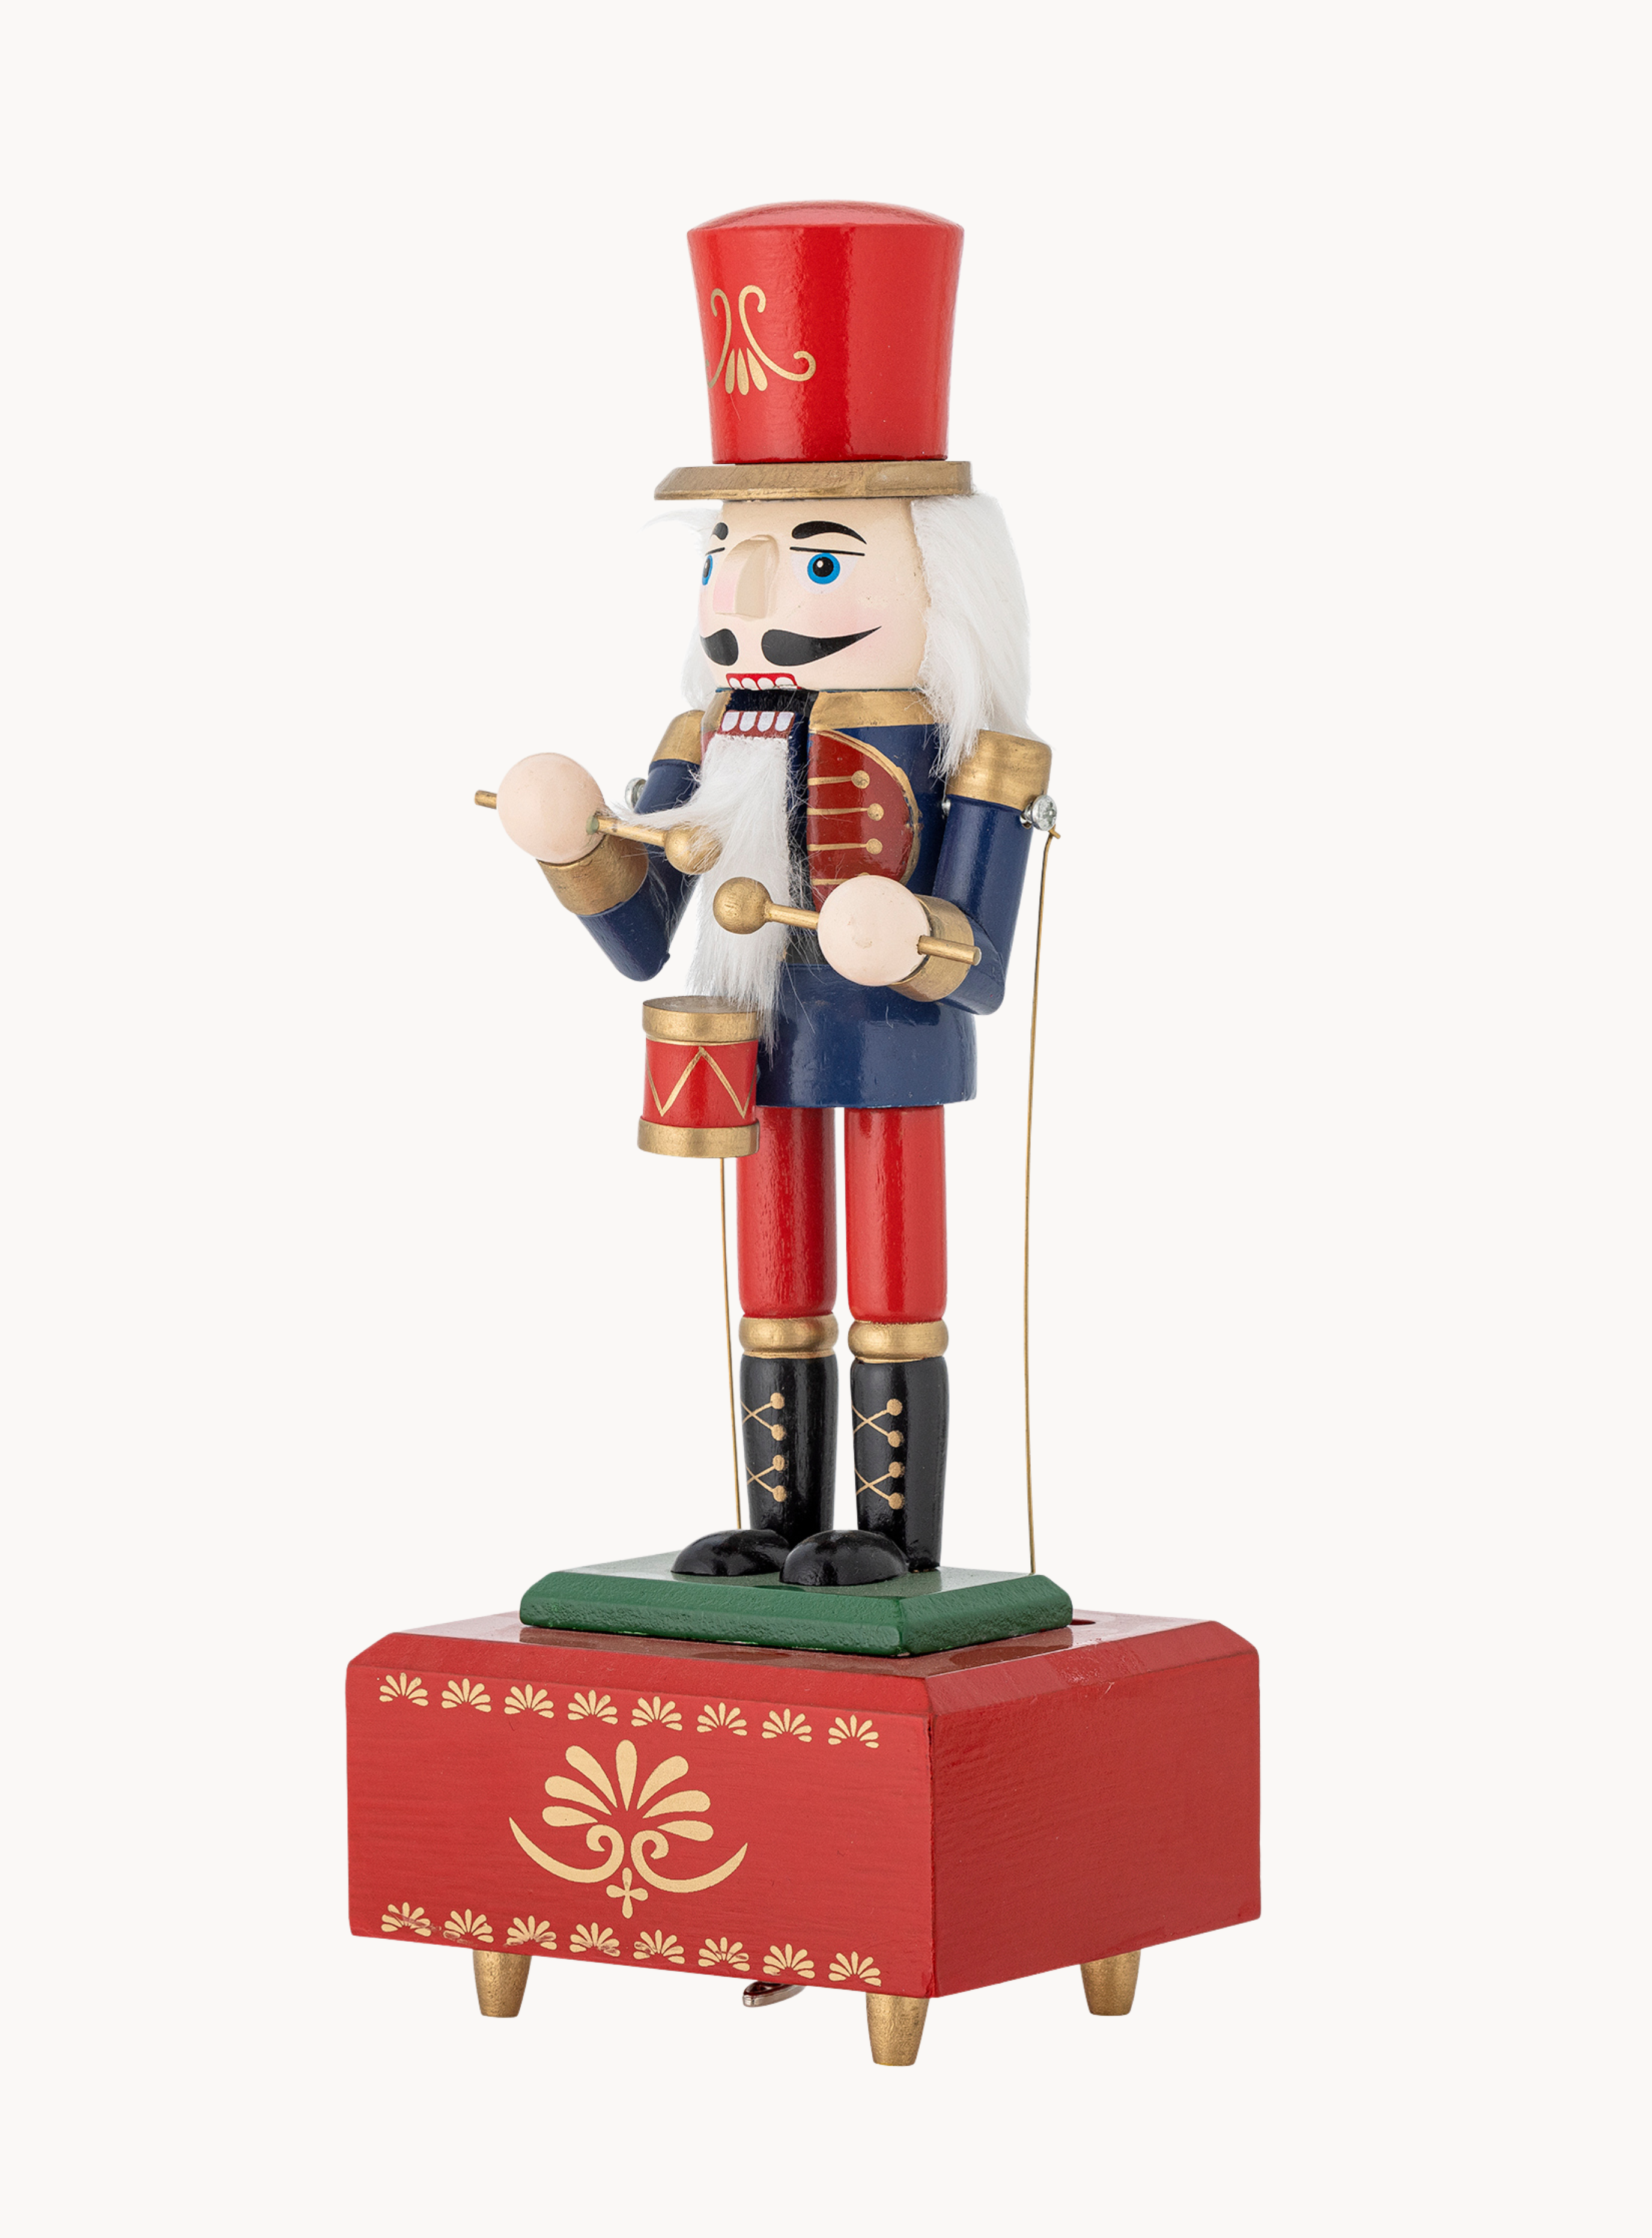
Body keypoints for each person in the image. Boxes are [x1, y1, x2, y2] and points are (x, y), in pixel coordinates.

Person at [489, 203, 1053, 1587]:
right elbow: (641, 937)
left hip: (894, 1047)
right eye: (723, 552)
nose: (743, 591)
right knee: (775, 1281)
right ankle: (779, 1519)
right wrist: (571, 844)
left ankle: (895, 1541)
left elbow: (980, 967)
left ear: (946, 585)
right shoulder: (706, 738)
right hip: (753, 1044)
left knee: (898, 1291)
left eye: (818, 557)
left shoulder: (976, 759)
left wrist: (908, 933)